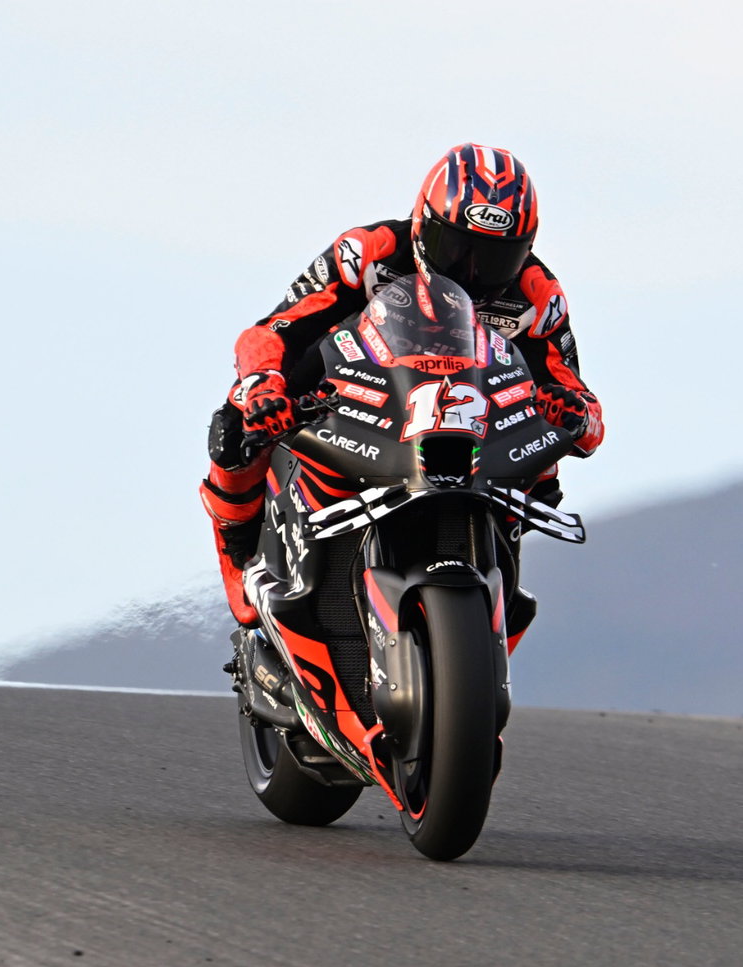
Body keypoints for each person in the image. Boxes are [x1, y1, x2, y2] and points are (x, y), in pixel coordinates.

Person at [201, 143, 604, 627]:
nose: (472, 273)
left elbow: (580, 401)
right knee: (237, 421)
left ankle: (498, 561)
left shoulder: (540, 294)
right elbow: (272, 331)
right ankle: (239, 553)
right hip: (353, 381)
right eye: (456, 250)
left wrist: (573, 415)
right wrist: (264, 385)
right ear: (422, 224)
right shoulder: (367, 253)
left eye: (497, 259)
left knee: (548, 470)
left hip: (471, 409)